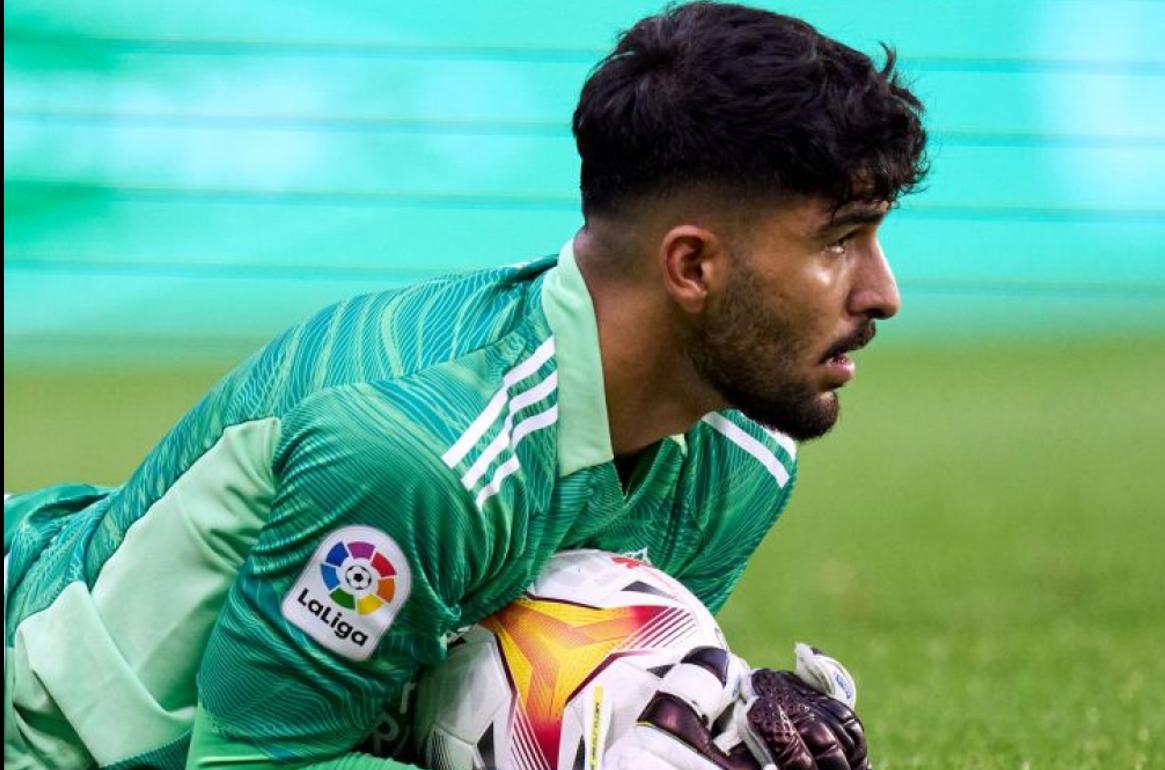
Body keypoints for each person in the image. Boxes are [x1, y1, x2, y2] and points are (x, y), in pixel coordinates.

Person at [3, 2, 926, 768]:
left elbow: (542, 689)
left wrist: (708, 705)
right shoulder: (418, 456)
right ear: (691, 267)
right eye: (840, 241)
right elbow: (252, 762)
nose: (882, 291)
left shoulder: (743, 448)